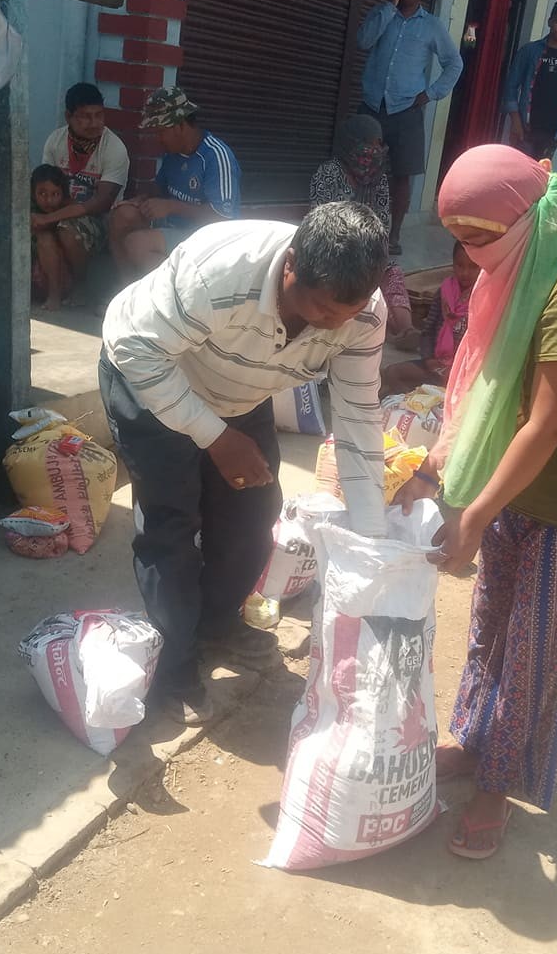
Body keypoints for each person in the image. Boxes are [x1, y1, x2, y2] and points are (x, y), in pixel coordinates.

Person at [395, 145, 557, 859]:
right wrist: (435, 471)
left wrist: (475, 515)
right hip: (520, 483)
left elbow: (548, 422)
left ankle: (498, 785)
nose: (468, 256)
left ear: (517, 222)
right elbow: (487, 384)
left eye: (478, 239)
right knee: (494, 623)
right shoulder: (529, 263)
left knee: (538, 648)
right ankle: (476, 742)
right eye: (458, 238)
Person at [101, 202, 389, 723]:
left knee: (253, 516)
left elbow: (358, 415)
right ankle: (173, 668)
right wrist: (215, 437)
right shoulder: (216, 270)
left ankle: (215, 625)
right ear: (291, 265)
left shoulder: (361, 315)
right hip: (150, 375)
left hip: (240, 391)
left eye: (345, 315)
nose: (329, 327)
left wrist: (373, 538)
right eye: (320, 310)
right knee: (173, 524)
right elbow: (136, 350)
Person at [357, 0, 463, 254]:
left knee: (402, 176)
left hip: (406, 109)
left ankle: (393, 236)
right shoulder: (381, 14)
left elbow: (454, 64)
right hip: (371, 105)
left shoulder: (432, 26)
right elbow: (362, 41)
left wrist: (430, 94)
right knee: (362, 171)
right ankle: (359, 230)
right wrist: (388, 8)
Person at [107, 86, 241, 279]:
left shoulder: (216, 155)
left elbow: (224, 219)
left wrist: (171, 207)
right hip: (174, 230)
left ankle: (177, 299)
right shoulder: (173, 153)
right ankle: (128, 293)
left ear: (180, 126)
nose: (158, 138)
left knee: (136, 243)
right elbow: (159, 189)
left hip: (208, 240)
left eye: (161, 131)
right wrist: (140, 200)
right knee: (122, 216)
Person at [309, 114, 417, 344]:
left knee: (391, 272)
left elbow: (381, 224)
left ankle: (406, 330)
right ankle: (383, 328)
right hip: (333, 253)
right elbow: (322, 221)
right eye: (369, 143)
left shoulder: (379, 180)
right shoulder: (329, 172)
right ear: (352, 142)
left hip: (367, 252)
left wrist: (370, 255)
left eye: (379, 144)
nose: (375, 150)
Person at [36, 82, 131, 308]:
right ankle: (53, 295)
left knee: (68, 230)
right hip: (57, 211)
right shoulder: (55, 141)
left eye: (99, 115)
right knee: (41, 232)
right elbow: (44, 185)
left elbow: (101, 203)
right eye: (86, 117)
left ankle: (81, 286)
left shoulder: (114, 148)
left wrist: (50, 217)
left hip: (100, 221)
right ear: (69, 116)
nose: (95, 123)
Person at [380, 239, 476, 396]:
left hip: (460, 372)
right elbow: (428, 331)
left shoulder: (482, 298)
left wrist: (457, 368)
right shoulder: (444, 292)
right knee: (392, 373)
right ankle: (414, 403)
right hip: (435, 365)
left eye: (473, 267)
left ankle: (429, 399)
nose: (465, 272)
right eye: (460, 265)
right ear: (452, 264)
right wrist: (429, 358)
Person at [503, 0, 557, 162]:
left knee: (540, 180)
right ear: (549, 21)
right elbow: (510, 87)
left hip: (553, 133)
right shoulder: (530, 51)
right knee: (520, 177)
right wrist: (515, 120)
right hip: (525, 129)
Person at [30, 164, 72, 308]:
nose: (49, 200)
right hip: (31, 267)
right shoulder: (28, 208)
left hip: (61, 272)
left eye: (55, 194)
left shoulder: (68, 209)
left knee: (46, 239)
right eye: (42, 194)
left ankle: (54, 296)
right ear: (32, 193)